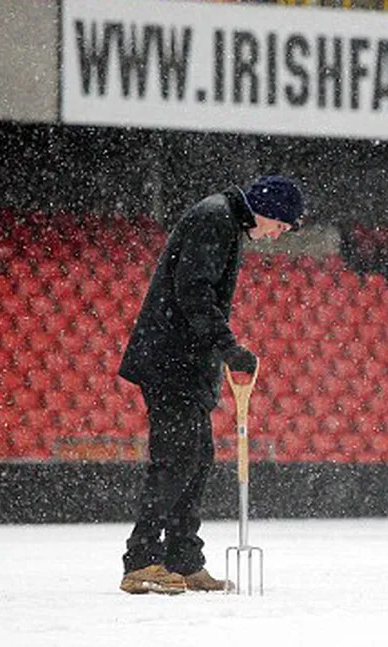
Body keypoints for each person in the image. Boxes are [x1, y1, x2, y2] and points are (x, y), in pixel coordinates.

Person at [117, 176, 304, 594]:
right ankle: (142, 560)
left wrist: (217, 353)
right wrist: (228, 347)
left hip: (186, 362)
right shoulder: (214, 218)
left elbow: (200, 296)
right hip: (170, 360)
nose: (275, 237)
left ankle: (183, 559)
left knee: (196, 459)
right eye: (280, 227)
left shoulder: (227, 220)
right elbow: (194, 291)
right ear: (268, 210)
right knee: (174, 460)